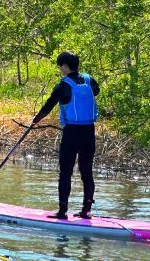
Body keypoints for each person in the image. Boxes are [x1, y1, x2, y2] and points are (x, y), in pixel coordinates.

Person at [32, 51, 100, 219]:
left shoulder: (64, 85)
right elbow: (96, 92)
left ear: (64, 66)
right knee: (87, 172)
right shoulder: (89, 80)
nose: (60, 70)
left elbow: (49, 104)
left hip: (72, 132)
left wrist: (36, 120)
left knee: (65, 172)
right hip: (89, 131)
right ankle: (86, 211)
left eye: (60, 66)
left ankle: (62, 211)